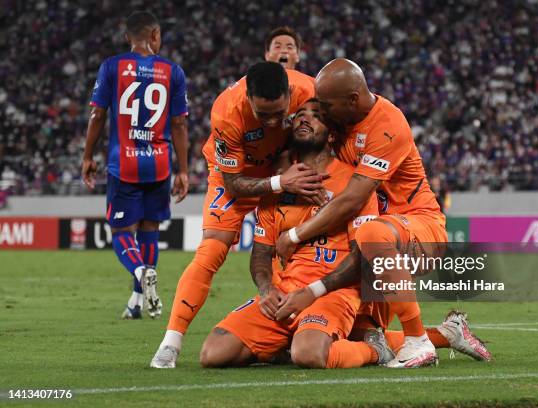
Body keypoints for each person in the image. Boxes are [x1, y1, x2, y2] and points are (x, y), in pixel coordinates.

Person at [274, 58, 482, 368]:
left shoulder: (388, 125)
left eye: (327, 106)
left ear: (353, 99)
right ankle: (447, 334)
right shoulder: (340, 120)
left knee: (372, 232)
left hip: (419, 228)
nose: (324, 112)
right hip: (375, 243)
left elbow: (355, 197)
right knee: (363, 336)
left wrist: (295, 234)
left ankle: (418, 343)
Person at [150, 62, 322, 368]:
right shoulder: (227, 111)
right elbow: (233, 183)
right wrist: (280, 182)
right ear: (248, 97)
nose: (271, 122)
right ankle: (171, 342)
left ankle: (292, 335)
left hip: (286, 171)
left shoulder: (309, 89)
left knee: (299, 249)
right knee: (213, 248)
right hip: (239, 176)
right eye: (262, 114)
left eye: (278, 114)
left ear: (291, 94)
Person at [200, 99, 394, 368]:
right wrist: (267, 289)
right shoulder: (278, 185)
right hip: (285, 293)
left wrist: (313, 292)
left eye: (316, 115)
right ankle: (285, 343)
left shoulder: (354, 184)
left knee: (309, 354)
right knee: (213, 354)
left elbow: (363, 257)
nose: (304, 118)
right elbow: (261, 253)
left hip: (332, 292)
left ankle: (376, 351)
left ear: (332, 134)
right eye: (300, 114)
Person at [81, 11, 189, 320]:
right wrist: (183, 170)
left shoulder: (112, 67)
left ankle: (140, 272)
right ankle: (137, 301)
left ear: (128, 36)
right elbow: (180, 124)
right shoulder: (173, 71)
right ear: (155, 35)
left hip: (124, 165)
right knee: (150, 228)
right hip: (159, 165)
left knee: (121, 231)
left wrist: (88, 156)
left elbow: (97, 115)